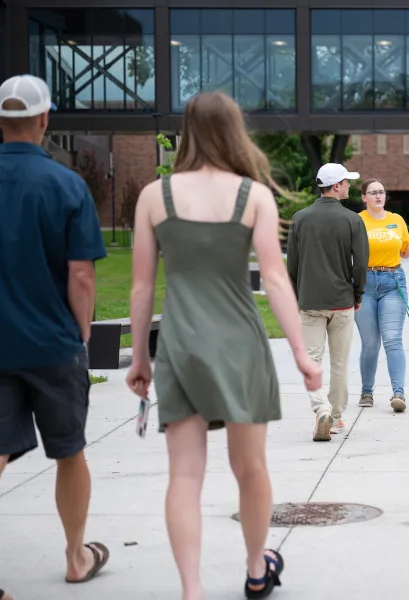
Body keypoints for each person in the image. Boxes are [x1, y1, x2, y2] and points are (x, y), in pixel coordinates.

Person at [125, 92, 322, 600]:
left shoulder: (155, 196)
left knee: (184, 477)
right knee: (251, 468)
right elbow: (275, 280)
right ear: (235, 131)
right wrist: (301, 352)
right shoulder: (253, 195)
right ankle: (258, 569)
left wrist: (142, 359)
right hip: (239, 344)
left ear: (187, 132)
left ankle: (192, 590)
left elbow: (142, 288)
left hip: (182, 343)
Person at [0, 75, 110, 599]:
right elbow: (82, 275)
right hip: (53, 342)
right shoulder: (67, 185)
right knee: (69, 450)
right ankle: (75, 557)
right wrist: (81, 333)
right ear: (45, 120)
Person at [287, 163, 369, 441]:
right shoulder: (353, 220)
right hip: (342, 301)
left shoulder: (300, 218)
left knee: (312, 360)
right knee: (339, 362)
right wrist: (357, 294)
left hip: (310, 300)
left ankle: (321, 409)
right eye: (347, 182)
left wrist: (298, 294)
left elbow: (293, 265)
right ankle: (334, 415)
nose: (349, 186)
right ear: (336, 186)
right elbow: (360, 265)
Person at [355, 178, 409, 412]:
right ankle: (367, 391)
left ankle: (398, 393)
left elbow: (406, 252)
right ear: (364, 197)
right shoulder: (357, 221)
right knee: (370, 343)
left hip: (392, 282)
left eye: (381, 192)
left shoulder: (396, 220)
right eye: (373, 192)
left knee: (392, 339)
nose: (378, 196)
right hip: (365, 284)